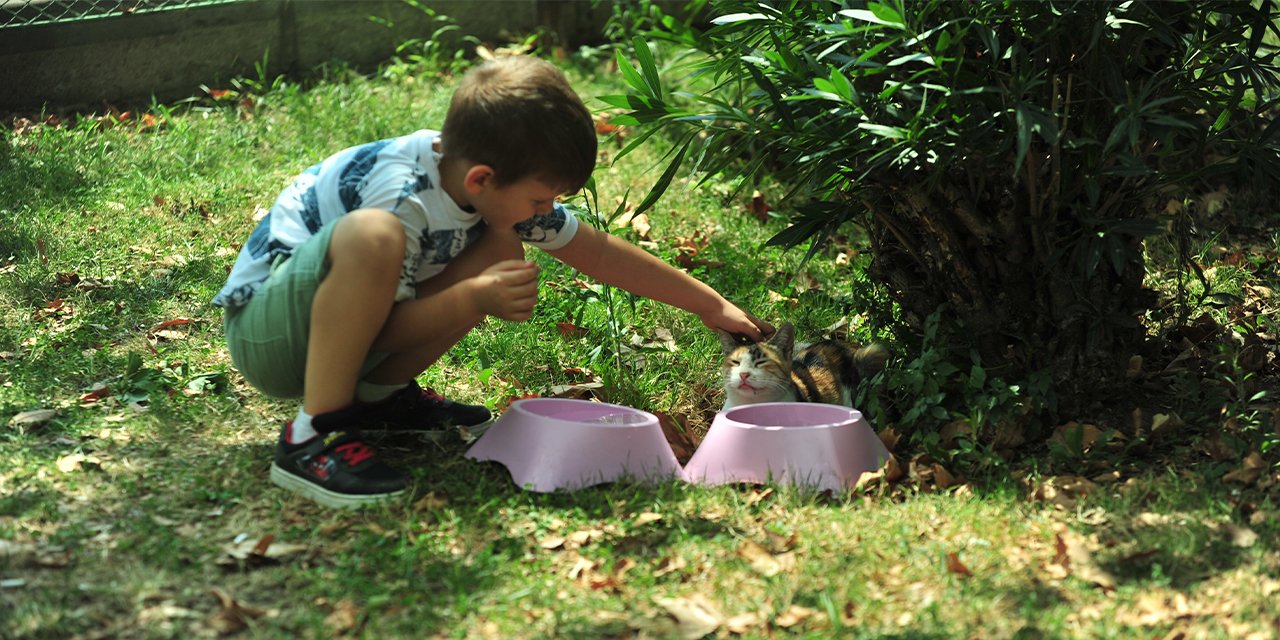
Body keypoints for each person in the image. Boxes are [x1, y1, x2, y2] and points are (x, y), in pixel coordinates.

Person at [213, 55, 773, 508]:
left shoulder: (487, 187)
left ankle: (376, 402)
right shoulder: (399, 194)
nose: (546, 210)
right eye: (540, 198)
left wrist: (710, 304)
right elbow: (380, 329)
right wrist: (472, 299)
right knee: (373, 235)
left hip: (338, 339)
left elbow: (598, 253)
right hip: (271, 338)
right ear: (482, 178)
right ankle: (315, 435)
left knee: (501, 246)